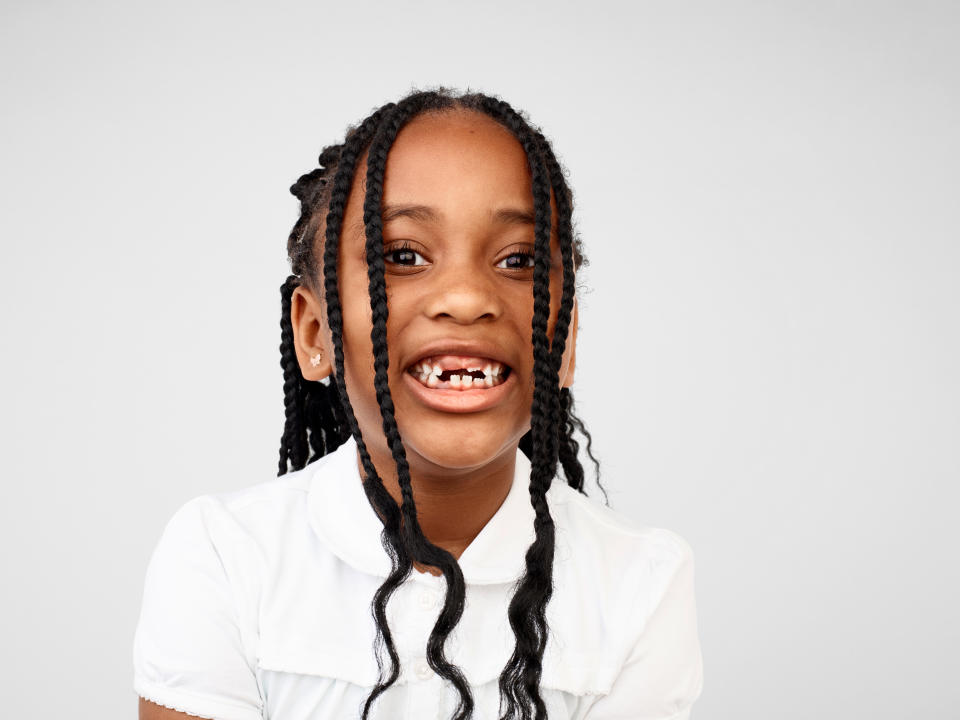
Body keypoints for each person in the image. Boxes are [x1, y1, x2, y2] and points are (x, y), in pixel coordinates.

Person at [132, 87, 704, 720]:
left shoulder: (640, 581)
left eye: (517, 260)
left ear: (564, 341)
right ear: (316, 334)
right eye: (403, 257)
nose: (464, 297)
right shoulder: (224, 557)